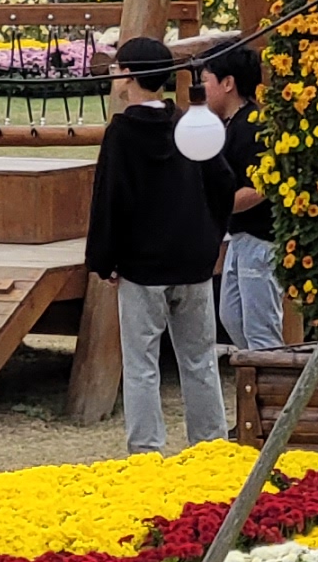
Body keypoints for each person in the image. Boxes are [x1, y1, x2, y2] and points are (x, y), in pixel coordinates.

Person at [85, 31, 225, 452]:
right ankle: (211, 445)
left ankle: (146, 450)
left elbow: (111, 199)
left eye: (117, 69)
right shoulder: (188, 124)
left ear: (128, 75)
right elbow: (222, 182)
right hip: (193, 260)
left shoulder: (122, 133)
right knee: (200, 359)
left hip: (142, 265)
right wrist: (208, 234)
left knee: (141, 363)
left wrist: (104, 259)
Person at [200, 41, 281, 354]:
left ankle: (274, 381)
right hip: (239, 238)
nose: (202, 90)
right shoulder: (231, 125)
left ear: (228, 83)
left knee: (261, 330)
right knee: (232, 316)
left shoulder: (253, 126)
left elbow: (260, 187)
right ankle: (258, 376)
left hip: (260, 240)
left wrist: (213, 208)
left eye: (206, 81)